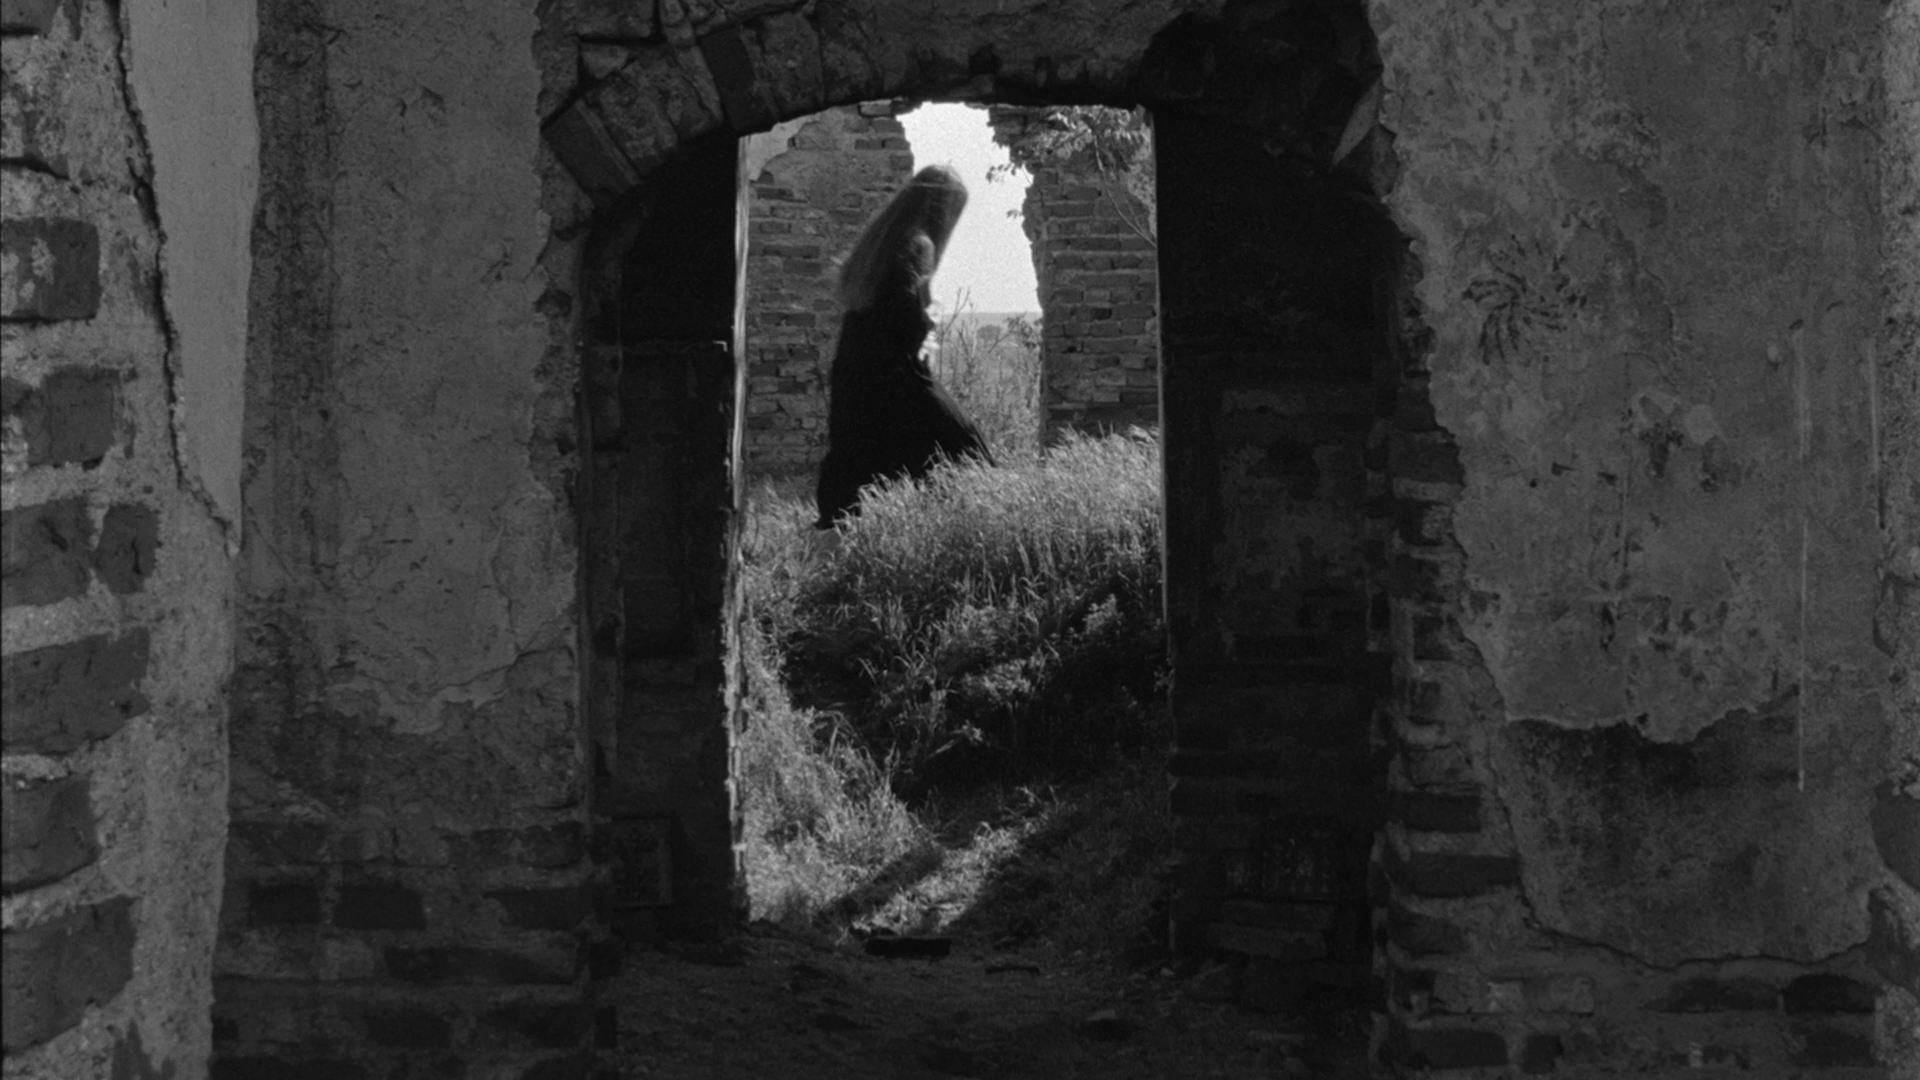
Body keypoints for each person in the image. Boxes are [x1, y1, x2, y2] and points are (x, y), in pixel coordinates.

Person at [814, 165, 994, 529]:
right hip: (895, 382)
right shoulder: (917, 246)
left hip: (858, 381)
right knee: (968, 453)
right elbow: (906, 337)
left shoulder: (881, 242)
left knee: (861, 479)